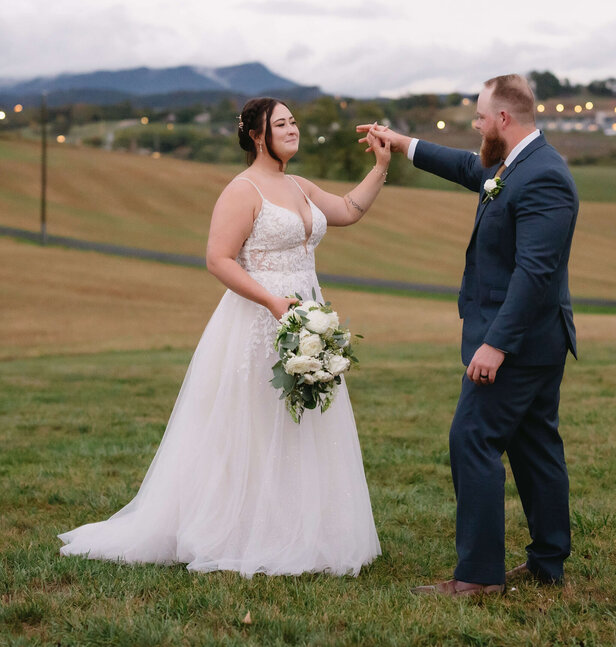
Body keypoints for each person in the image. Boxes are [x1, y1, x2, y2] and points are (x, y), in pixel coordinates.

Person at [60, 96, 390, 577]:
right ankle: (240, 530)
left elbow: (346, 210)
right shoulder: (243, 188)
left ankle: (302, 530)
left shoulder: (298, 185)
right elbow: (218, 258)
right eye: (282, 123)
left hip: (307, 319)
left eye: (294, 121)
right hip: (258, 321)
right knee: (254, 425)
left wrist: (381, 166)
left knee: (301, 426)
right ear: (258, 135)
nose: (293, 129)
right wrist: (274, 303)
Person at [360, 73, 578, 597]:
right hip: (535, 341)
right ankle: (549, 563)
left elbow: (535, 273)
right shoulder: (512, 163)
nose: (475, 125)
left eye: (480, 117)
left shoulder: (544, 175)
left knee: (472, 439)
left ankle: (478, 578)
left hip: (519, 343)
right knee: (534, 447)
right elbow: (466, 167)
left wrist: (495, 344)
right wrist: (401, 142)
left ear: (503, 119)